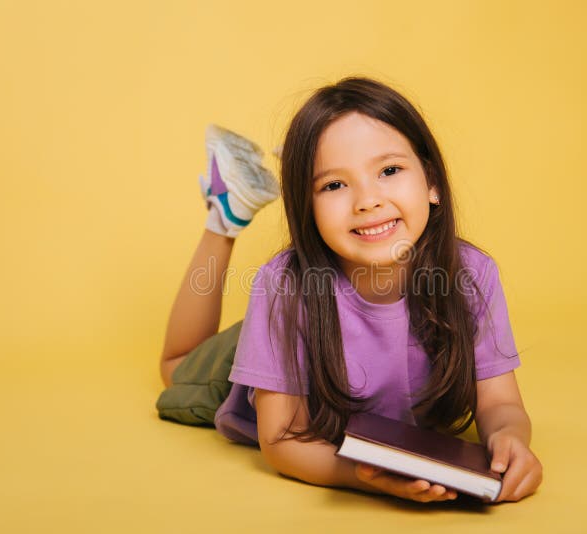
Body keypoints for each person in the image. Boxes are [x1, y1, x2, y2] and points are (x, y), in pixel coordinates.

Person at [157, 77, 543, 504]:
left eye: (389, 171)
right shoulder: (282, 287)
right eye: (335, 185)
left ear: (431, 181)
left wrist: (510, 438)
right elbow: (281, 440)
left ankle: (311, 168)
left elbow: (500, 404)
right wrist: (363, 478)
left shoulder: (472, 274)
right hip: (286, 341)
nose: (368, 201)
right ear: (307, 211)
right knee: (176, 367)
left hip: (316, 330)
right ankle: (226, 212)